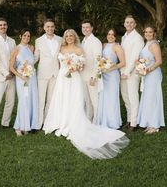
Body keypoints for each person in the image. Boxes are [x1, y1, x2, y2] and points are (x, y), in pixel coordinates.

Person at [43, 29, 129, 159]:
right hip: (62, 78)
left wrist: (75, 66)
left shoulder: (79, 49)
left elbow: (82, 66)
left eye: (71, 35)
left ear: (74, 37)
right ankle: (60, 121)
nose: (69, 37)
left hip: (74, 77)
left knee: (74, 100)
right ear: (64, 38)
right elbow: (57, 62)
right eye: (67, 36)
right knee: (62, 99)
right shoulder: (61, 48)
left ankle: (72, 121)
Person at [10, 29, 39, 136]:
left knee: (32, 100)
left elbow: (32, 62)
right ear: (20, 36)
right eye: (24, 35)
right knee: (23, 100)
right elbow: (11, 67)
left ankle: (28, 125)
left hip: (32, 78)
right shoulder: (16, 49)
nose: (26, 38)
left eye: (28, 36)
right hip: (22, 79)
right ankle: (18, 126)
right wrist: (21, 76)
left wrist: (29, 72)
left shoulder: (31, 48)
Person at [34, 19, 62, 129]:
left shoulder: (60, 39)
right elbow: (36, 56)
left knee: (50, 99)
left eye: (52, 26)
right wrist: (27, 65)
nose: (50, 28)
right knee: (41, 99)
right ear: (44, 28)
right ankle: (38, 123)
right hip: (43, 73)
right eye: (48, 27)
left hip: (55, 73)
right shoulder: (38, 41)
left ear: (54, 27)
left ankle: (47, 122)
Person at [137, 25, 165, 134]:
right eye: (146, 32)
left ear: (154, 33)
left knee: (153, 98)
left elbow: (159, 61)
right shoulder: (147, 43)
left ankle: (154, 125)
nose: (148, 34)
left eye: (150, 32)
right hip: (147, 74)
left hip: (153, 75)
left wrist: (148, 69)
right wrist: (139, 65)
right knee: (148, 98)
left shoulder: (154, 45)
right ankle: (149, 123)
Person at [96, 29, 125, 129]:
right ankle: (102, 119)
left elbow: (122, 63)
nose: (110, 36)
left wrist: (110, 68)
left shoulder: (117, 47)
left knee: (112, 98)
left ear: (116, 36)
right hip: (103, 75)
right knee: (103, 97)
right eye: (109, 34)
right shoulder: (104, 45)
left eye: (113, 34)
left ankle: (112, 122)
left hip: (112, 75)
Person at [120, 15, 144, 131]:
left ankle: (134, 123)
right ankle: (129, 120)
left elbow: (135, 57)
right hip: (122, 72)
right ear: (124, 24)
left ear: (135, 24)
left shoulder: (137, 38)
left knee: (133, 97)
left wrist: (127, 72)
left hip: (132, 72)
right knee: (125, 97)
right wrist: (122, 71)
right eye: (127, 22)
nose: (129, 24)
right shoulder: (124, 37)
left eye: (131, 22)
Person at [81, 20, 102, 121]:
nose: (85, 29)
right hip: (83, 75)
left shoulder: (96, 41)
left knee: (95, 100)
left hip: (91, 77)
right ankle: (89, 119)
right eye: (83, 27)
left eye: (87, 27)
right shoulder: (83, 41)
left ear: (92, 28)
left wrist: (94, 77)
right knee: (87, 100)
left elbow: (98, 61)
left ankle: (97, 120)